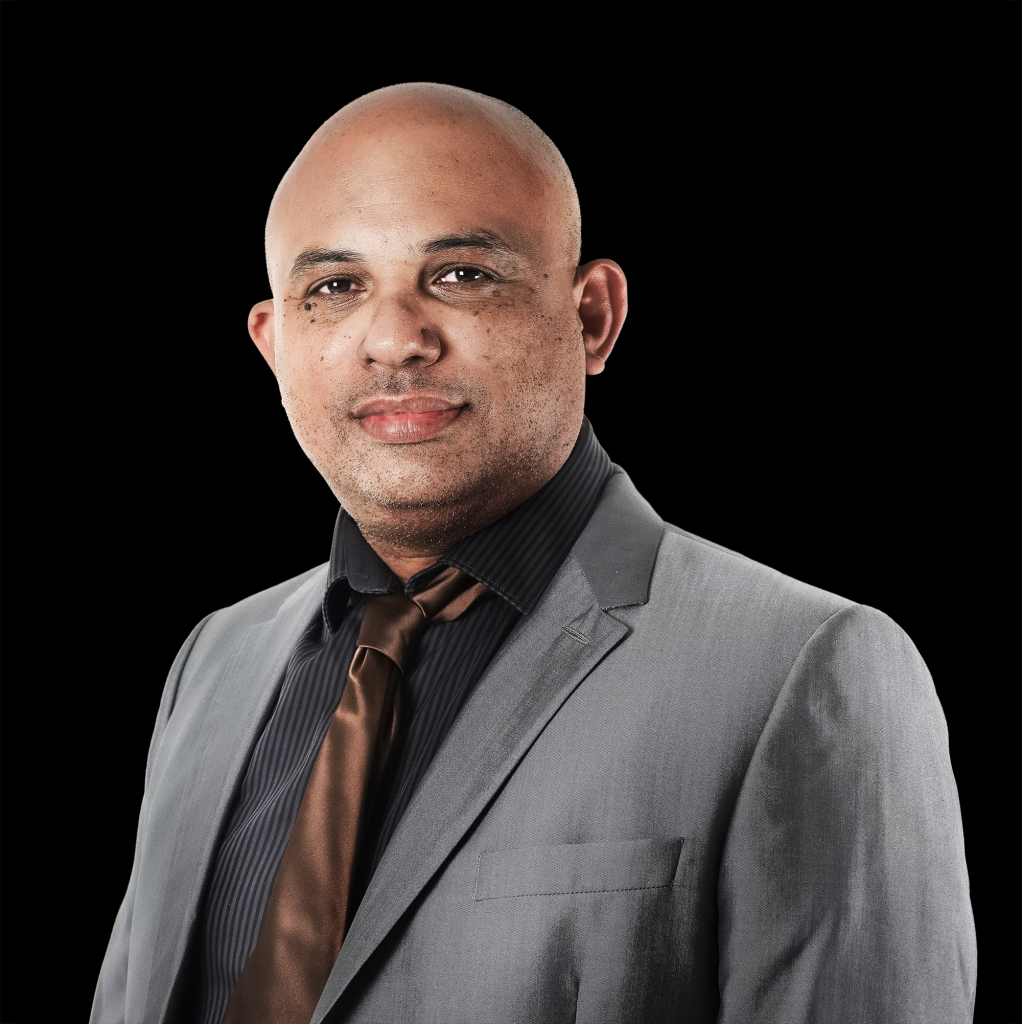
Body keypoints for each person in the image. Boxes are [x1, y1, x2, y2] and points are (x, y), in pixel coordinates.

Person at [91, 83, 976, 1024]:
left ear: (593, 316)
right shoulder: (211, 664)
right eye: (335, 288)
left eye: (462, 274)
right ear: (274, 345)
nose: (394, 339)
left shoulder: (806, 671)